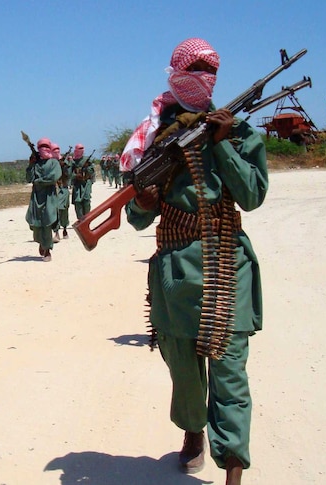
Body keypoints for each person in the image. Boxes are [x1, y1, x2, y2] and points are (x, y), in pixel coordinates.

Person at [121, 38, 267, 485]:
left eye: (210, 70)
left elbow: (252, 195)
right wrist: (144, 200)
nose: (202, 78)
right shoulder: (154, 137)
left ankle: (234, 467)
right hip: (175, 271)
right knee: (183, 365)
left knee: (229, 371)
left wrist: (222, 145)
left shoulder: (239, 132)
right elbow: (136, 218)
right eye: (193, 69)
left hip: (227, 264)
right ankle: (192, 431)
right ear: (174, 73)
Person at [25, 137, 61, 261]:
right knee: (35, 222)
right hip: (36, 197)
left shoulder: (54, 163)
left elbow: (54, 177)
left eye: (46, 147)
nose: (44, 149)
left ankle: (47, 249)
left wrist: (39, 181)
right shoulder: (36, 163)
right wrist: (31, 164)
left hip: (49, 197)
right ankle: (41, 242)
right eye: (41, 147)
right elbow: (29, 178)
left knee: (47, 221)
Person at [70, 143, 95, 219]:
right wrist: (75, 176)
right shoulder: (73, 161)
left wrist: (87, 167)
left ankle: (87, 218)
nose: (81, 151)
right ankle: (80, 219)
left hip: (86, 183)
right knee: (77, 202)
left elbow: (92, 172)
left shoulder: (87, 160)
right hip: (77, 184)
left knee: (86, 200)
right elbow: (69, 173)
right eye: (79, 149)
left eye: (82, 149)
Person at [55, 152, 73, 240]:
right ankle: (56, 232)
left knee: (64, 211)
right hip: (54, 191)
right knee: (55, 212)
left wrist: (64, 165)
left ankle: (65, 228)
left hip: (63, 190)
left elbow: (69, 175)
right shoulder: (51, 166)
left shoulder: (66, 167)